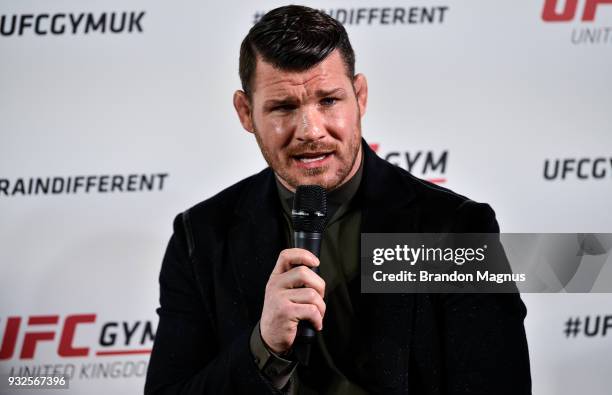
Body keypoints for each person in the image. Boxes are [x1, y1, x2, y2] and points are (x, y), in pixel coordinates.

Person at [145, 5, 531, 394]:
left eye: (328, 100)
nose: (311, 131)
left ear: (359, 96)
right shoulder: (201, 236)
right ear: (246, 113)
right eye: (283, 107)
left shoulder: (451, 229)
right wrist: (263, 347)